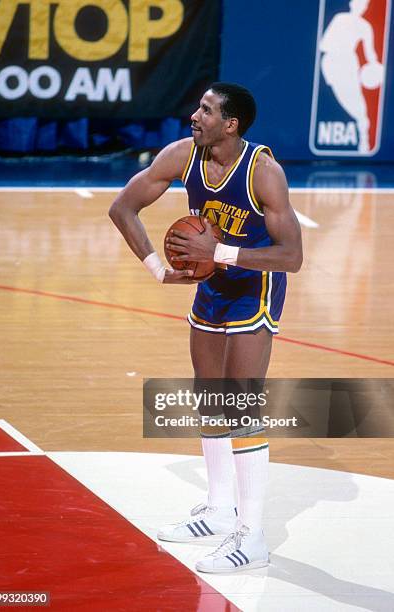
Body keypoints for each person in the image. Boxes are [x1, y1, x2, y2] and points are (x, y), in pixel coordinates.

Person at [109, 82, 303, 573]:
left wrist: (219, 253)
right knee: (209, 398)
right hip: (212, 288)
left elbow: (293, 256)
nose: (195, 115)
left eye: (207, 110)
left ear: (231, 124)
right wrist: (158, 268)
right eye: (197, 106)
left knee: (240, 403)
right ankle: (219, 511)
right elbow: (122, 208)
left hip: (255, 286)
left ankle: (252, 536)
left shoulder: (265, 171)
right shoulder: (182, 155)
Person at [319, 0, 381, 153]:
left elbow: (371, 54)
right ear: (352, 4)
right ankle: (363, 130)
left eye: (363, 4)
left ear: (365, 7)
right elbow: (323, 44)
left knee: (359, 109)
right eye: (357, 3)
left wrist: (376, 68)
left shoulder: (365, 27)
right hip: (331, 62)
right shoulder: (340, 18)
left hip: (348, 64)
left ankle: (364, 142)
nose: (359, 6)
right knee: (341, 101)